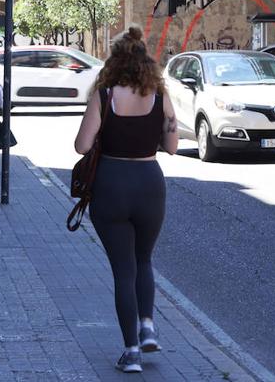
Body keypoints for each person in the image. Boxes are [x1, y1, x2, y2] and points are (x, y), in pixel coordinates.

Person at [74, 26, 178, 374]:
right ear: (145, 61)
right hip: (150, 183)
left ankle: (131, 350)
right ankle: (147, 325)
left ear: (115, 61)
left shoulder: (104, 96)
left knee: (123, 271)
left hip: (111, 184)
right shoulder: (161, 96)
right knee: (144, 260)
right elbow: (173, 147)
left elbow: (82, 146)